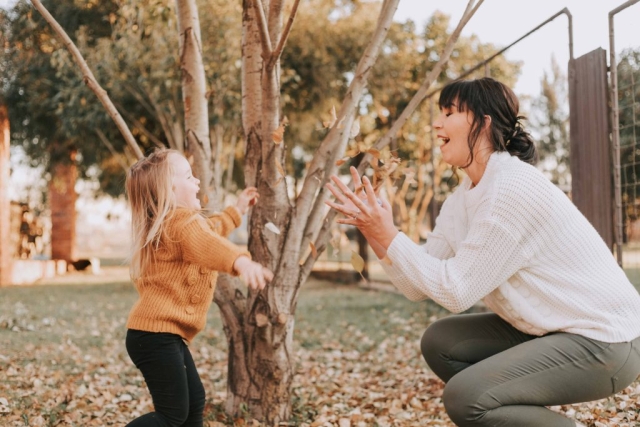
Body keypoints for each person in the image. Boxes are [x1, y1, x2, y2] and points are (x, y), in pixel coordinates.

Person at [325, 77, 640, 427]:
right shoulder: (461, 199)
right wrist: (375, 232)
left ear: (484, 122)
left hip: (606, 341)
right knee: (441, 341)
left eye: (449, 113)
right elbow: (416, 287)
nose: (437, 124)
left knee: (466, 398)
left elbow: (457, 291)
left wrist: (390, 233)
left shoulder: (511, 188)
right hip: (552, 329)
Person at [124, 148, 273, 426]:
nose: (197, 181)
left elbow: (210, 231)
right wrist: (241, 262)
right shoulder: (181, 223)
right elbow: (209, 245)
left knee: (194, 404)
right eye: (189, 176)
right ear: (169, 189)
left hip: (158, 335)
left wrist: (237, 210)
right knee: (172, 415)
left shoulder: (173, 224)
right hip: (156, 335)